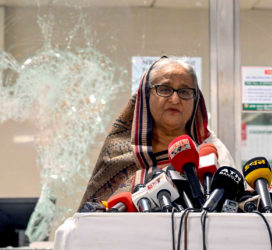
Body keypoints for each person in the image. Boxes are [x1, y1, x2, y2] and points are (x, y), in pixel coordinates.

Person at [78, 56, 234, 209]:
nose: (175, 99)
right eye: (165, 89)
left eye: (185, 91)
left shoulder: (213, 153)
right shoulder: (118, 155)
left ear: (196, 99)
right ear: (146, 96)